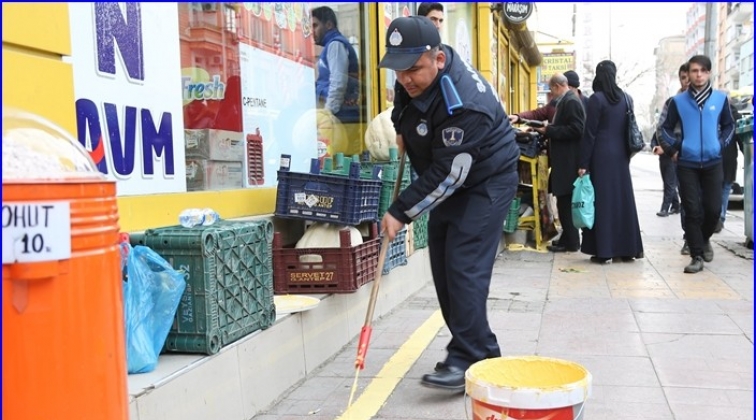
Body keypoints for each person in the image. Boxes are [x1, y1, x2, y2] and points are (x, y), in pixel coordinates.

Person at [379, 16, 520, 391]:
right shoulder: (415, 83)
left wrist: (399, 212)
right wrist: (400, 127)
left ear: (438, 60)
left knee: (463, 263)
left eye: (413, 69)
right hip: (454, 175)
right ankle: (482, 350)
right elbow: (404, 109)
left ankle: (467, 355)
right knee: (443, 260)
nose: (405, 79)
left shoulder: (465, 105)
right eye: (398, 71)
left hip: (485, 180)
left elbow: (450, 174)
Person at [658, 55, 735, 273]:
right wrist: (675, 148)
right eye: (694, 71)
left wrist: (720, 144)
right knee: (691, 210)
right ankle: (697, 255)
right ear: (688, 74)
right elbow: (664, 127)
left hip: (713, 161)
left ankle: (703, 239)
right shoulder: (678, 102)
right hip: (687, 164)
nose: (698, 75)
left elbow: (729, 126)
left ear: (709, 73)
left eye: (702, 70)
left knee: (713, 210)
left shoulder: (721, 100)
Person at [577, 60, 644, 263]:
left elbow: (589, 134)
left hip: (601, 155)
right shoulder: (626, 98)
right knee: (622, 201)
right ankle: (627, 249)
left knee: (603, 202)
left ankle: (604, 251)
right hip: (621, 156)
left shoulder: (597, 100)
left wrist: (583, 163)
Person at [533, 73, 586, 253]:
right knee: (562, 199)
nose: (551, 94)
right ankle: (567, 237)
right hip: (563, 159)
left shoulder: (571, 101)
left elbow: (577, 129)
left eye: (551, 89)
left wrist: (550, 131)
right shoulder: (566, 100)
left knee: (564, 201)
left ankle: (571, 241)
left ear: (557, 86)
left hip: (568, 160)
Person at [311, 6, 360, 123]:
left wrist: (327, 115)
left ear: (328, 25)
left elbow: (338, 83)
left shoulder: (336, 45)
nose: (312, 31)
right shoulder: (330, 46)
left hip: (340, 117)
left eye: (315, 25)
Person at [652, 63, 688, 218]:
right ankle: (690, 236)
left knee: (684, 189)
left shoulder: (708, 102)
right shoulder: (673, 102)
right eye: (683, 77)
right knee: (671, 182)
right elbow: (660, 129)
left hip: (699, 154)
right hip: (673, 151)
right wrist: (669, 149)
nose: (687, 81)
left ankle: (673, 206)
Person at [717, 102, 743, 232]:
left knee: (715, 189)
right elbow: (741, 139)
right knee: (725, 190)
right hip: (730, 159)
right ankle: (720, 218)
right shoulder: (735, 116)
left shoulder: (714, 113)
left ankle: (716, 217)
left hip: (715, 157)